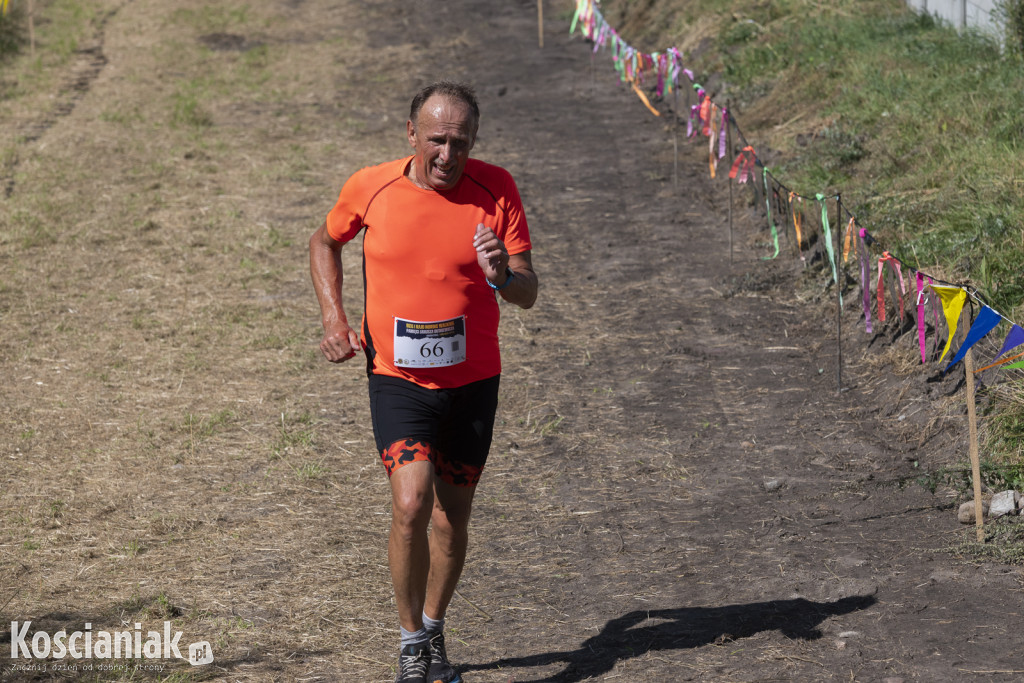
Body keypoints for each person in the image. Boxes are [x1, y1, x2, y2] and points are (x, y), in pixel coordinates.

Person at [309, 80, 538, 683]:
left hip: (473, 381)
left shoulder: (497, 189)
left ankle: (435, 627)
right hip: (397, 376)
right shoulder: (372, 186)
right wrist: (334, 317)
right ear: (410, 135)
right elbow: (323, 242)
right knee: (411, 504)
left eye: (460, 142)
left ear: (474, 142)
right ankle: (410, 642)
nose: (447, 154)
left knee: (450, 516)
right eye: (436, 139)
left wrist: (498, 277)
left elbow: (528, 292)